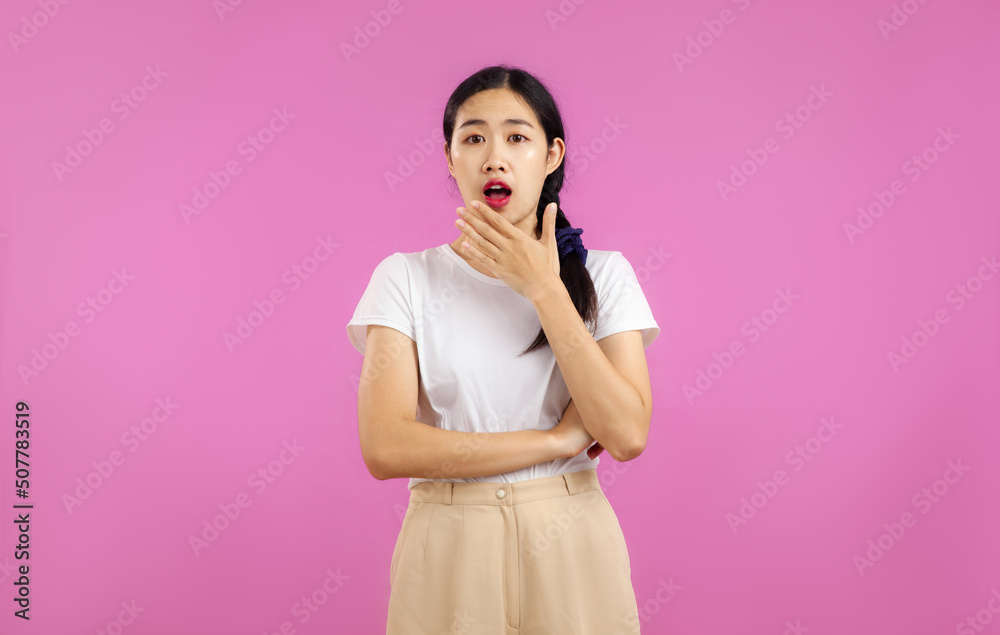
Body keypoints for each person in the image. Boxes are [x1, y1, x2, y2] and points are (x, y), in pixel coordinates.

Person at [346, 64, 660, 634]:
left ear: (552, 154)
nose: (494, 157)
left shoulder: (607, 276)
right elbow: (385, 447)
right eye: (473, 138)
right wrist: (557, 440)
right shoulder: (405, 279)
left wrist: (543, 288)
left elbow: (627, 433)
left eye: (517, 137)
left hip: (570, 534)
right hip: (448, 540)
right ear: (449, 158)